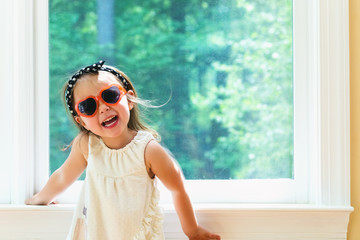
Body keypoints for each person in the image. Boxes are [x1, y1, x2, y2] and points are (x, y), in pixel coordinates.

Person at [25, 60, 221, 240]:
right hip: (96, 234)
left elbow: (177, 187)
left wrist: (192, 230)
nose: (103, 108)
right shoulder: (87, 145)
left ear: (129, 99)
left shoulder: (148, 150)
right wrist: (40, 199)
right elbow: (62, 176)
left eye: (110, 96)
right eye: (88, 106)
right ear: (81, 120)